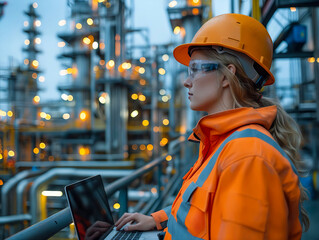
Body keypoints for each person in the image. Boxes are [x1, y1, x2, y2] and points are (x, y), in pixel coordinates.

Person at [115, 13, 309, 239]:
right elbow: (204, 211)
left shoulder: (247, 158)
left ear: (227, 74)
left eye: (195, 69)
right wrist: (156, 220)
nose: (186, 81)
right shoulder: (222, 143)